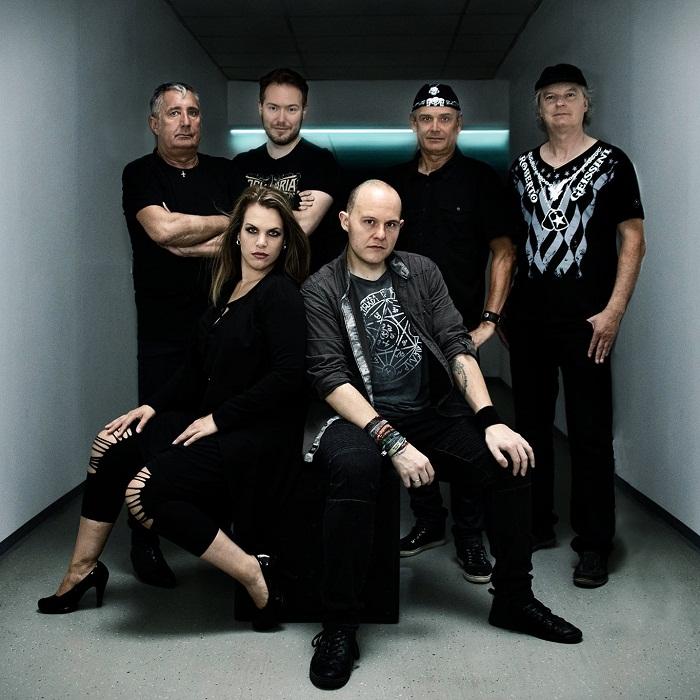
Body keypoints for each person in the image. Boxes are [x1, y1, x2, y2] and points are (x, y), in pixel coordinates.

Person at [301, 180, 582, 691]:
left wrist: (491, 419)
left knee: (510, 459)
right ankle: (339, 624)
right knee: (352, 470)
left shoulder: (421, 271)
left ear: (400, 227)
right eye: (368, 222)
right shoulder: (320, 287)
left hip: (429, 412)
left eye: (390, 224)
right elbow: (329, 377)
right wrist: (391, 441)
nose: (379, 233)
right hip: (360, 418)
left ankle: (514, 599)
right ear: (345, 221)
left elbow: (455, 344)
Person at [37, 186, 310, 631]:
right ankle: (81, 571)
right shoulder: (228, 290)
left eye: (273, 234)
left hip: (256, 435)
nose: (261, 243)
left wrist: (217, 419)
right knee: (112, 444)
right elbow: (193, 371)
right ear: (237, 234)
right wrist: (150, 406)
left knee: (143, 493)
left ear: (285, 242)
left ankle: (252, 572)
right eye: (252, 230)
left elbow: (288, 378)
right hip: (216, 423)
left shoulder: (280, 294)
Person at [506, 64, 646, 588]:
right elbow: (510, 246)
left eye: (570, 95)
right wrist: (504, 310)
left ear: (587, 103)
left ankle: (594, 544)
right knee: (530, 427)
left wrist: (614, 312)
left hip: (589, 323)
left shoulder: (613, 162)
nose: (560, 104)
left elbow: (633, 240)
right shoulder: (521, 167)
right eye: (549, 97)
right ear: (538, 109)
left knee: (589, 433)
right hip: (529, 321)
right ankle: (536, 523)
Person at [386, 83, 516, 584]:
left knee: (466, 434)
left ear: (459, 125)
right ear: (413, 124)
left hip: (456, 335)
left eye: (444, 118)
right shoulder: (394, 183)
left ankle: (469, 536)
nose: (435, 127)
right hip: (397, 335)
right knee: (407, 427)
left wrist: (490, 321)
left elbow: (504, 253)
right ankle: (428, 521)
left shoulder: (482, 180)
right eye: (426, 117)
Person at [122, 81, 235, 587]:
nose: (185, 121)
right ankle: (144, 538)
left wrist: (193, 233)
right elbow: (162, 233)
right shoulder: (140, 174)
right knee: (157, 432)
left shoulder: (226, 172)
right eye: (174, 113)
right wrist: (222, 224)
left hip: (222, 328)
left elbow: (246, 239)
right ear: (154, 123)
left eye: (192, 112)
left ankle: (222, 538)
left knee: (221, 430)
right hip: (163, 332)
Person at [231, 67, 342, 271]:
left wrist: (249, 221)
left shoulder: (320, 162)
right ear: (260, 107)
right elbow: (229, 227)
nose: (281, 119)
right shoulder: (240, 164)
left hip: (301, 283)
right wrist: (291, 210)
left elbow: (303, 225)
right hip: (248, 282)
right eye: (273, 108)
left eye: (291, 109)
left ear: (304, 111)